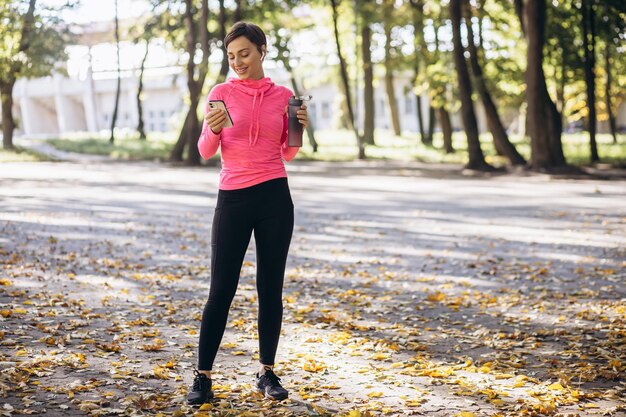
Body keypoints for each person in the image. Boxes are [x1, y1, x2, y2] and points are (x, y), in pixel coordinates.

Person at [186, 21, 308, 405]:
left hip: (274, 197)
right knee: (220, 289)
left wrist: (301, 128)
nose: (237, 61)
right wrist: (211, 127)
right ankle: (202, 377)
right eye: (231, 55)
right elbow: (207, 151)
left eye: (245, 53)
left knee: (270, 289)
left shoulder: (283, 95)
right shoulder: (220, 93)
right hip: (233, 199)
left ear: (262, 51)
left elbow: (288, 152)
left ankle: (266, 372)